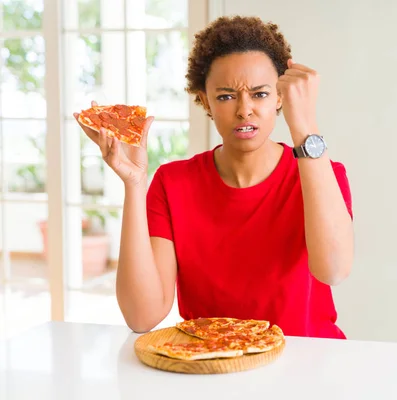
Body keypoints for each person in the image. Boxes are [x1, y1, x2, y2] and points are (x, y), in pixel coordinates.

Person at [74, 15, 354, 339]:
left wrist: (305, 128)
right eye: (225, 96)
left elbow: (333, 270)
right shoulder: (172, 183)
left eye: (260, 94)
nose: (244, 110)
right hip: (211, 369)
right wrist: (134, 184)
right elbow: (141, 316)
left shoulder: (323, 173)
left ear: (280, 96)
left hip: (306, 370)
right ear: (205, 101)